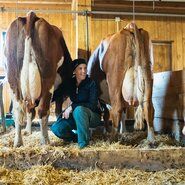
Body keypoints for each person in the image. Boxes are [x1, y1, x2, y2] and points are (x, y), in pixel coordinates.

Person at [51, 58, 102, 149]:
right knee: (56, 128)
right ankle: (76, 138)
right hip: (76, 116)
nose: (84, 71)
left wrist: (72, 107)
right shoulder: (70, 83)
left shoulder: (91, 83)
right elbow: (56, 94)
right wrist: (37, 102)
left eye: (85, 68)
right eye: (80, 68)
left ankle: (83, 146)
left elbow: (93, 105)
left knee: (79, 110)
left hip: (93, 116)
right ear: (74, 71)